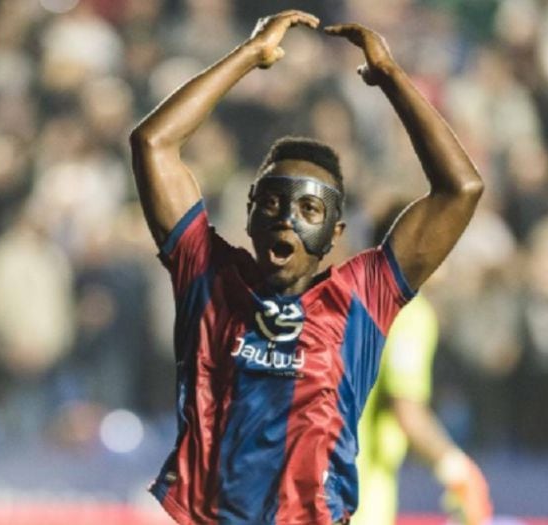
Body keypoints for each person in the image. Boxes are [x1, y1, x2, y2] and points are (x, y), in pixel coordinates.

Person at [130, 10, 483, 525]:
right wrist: (249, 55)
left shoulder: (364, 295)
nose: (286, 220)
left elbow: (461, 189)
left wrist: (390, 78)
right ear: (249, 213)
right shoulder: (207, 275)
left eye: (309, 209)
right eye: (271, 203)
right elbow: (152, 142)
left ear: (335, 233)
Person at [353, 294, 493, 525]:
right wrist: (459, 472)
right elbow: (407, 411)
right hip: (360, 494)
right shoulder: (409, 313)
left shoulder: (339, 295)